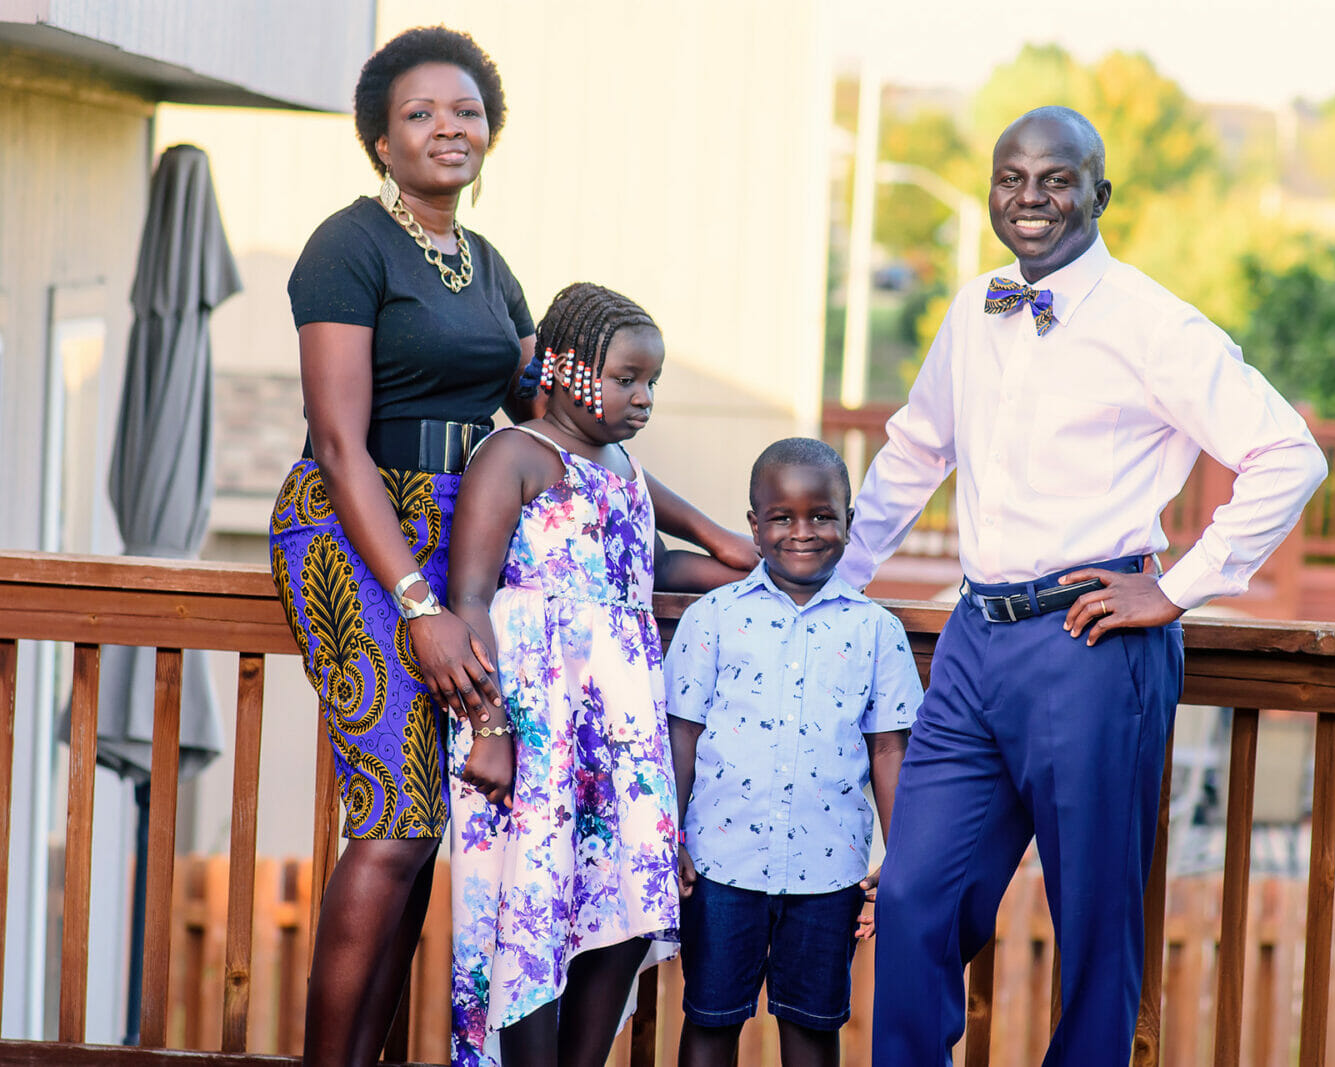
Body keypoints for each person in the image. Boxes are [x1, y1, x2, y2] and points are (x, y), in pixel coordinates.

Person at [269, 30, 752, 1067]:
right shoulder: (347, 246)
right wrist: (418, 602)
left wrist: (707, 528)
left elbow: (560, 428)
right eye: (420, 114)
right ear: (380, 140)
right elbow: (340, 443)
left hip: (470, 529)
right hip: (359, 529)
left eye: (467, 111)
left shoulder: (485, 266)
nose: (449, 129)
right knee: (397, 819)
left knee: (432, 827)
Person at [837, 106, 1329, 1065]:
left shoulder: (1152, 321)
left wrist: (1176, 589)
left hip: (1093, 642)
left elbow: (1289, 455)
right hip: (973, 639)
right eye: (1011, 178)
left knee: (1095, 925)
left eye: (1055, 179)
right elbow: (915, 451)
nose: (1030, 197)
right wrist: (834, 581)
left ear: (1099, 194)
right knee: (914, 893)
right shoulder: (974, 308)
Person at [445, 282, 746, 1067]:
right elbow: (469, 596)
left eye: (652, 382)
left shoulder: (624, 467)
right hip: (534, 724)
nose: (644, 397)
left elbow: (650, 562)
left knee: (624, 897)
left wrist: (743, 557)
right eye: (626, 378)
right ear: (562, 366)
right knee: (533, 904)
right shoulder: (514, 455)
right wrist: (489, 728)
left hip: (620, 730)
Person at [665, 438, 923, 1067]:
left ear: (848, 523)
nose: (803, 532)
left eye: (822, 516)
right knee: (710, 1022)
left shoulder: (877, 631)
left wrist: (902, 861)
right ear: (755, 526)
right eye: (782, 517)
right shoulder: (713, 618)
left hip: (828, 873)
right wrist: (668, 837)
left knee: (812, 1030)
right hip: (720, 866)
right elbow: (680, 735)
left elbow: (890, 750)